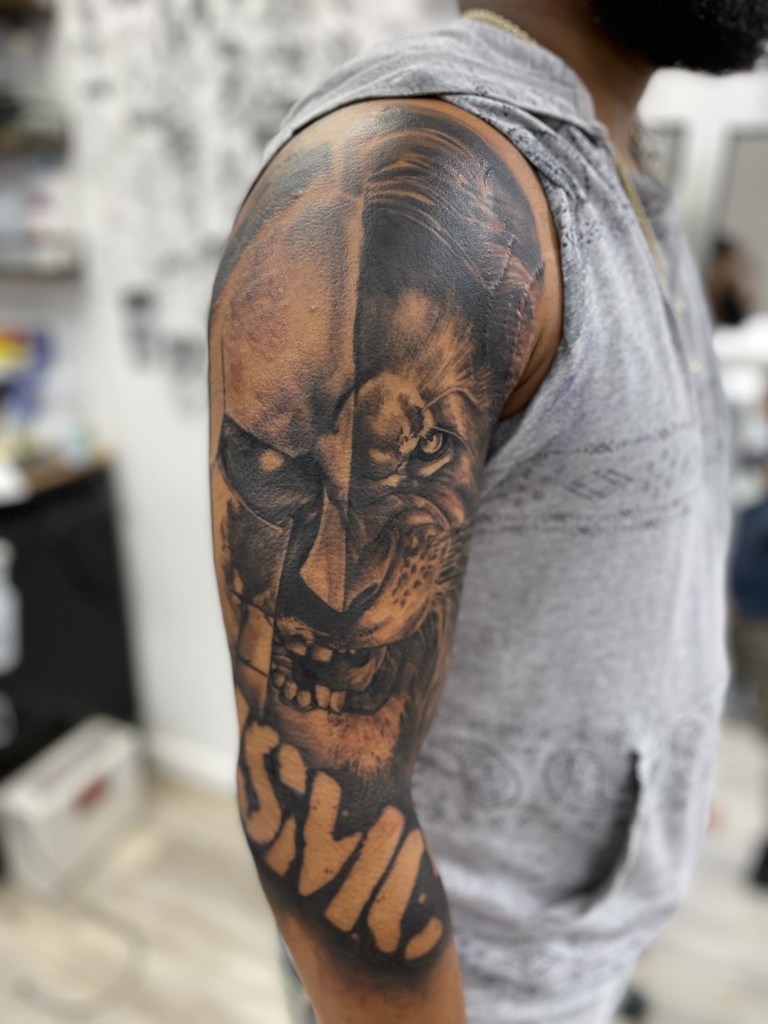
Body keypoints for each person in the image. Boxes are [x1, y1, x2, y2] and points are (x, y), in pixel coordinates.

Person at [207, 3, 768, 1022]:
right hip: (466, 982)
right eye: (280, 472)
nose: (338, 575)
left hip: (581, 942)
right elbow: (318, 781)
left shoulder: (617, 160)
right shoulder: (436, 175)